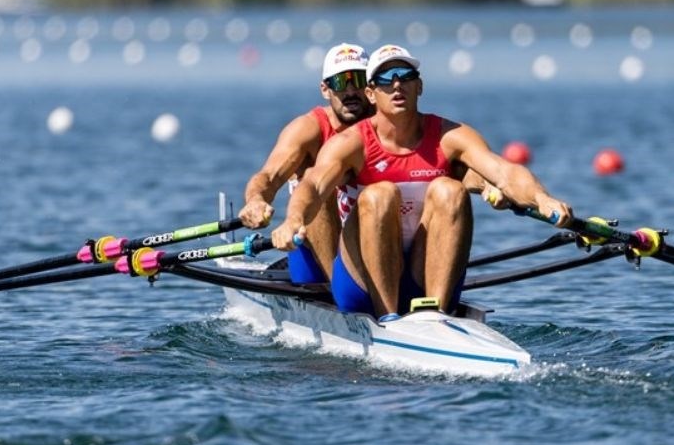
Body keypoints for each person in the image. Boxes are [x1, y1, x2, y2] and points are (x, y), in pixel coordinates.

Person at [271, 44, 573, 318]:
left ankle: (437, 316)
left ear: (420, 86)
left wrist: (542, 199)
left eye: (406, 75)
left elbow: (505, 172)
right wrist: (293, 219)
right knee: (380, 195)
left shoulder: (450, 135)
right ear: (372, 94)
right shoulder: (351, 143)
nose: (397, 84)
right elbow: (311, 186)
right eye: (387, 79)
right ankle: (387, 316)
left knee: (450, 190)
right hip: (361, 284)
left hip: (422, 273)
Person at [238, 43, 374, 284]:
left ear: (371, 86)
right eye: (341, 82)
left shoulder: (390, 125)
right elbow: (269, 177)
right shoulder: (308, 129)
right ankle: (342, 290)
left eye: (359, 80)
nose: (351, 91)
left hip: (373, 243)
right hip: (314, 259)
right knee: (316, 186)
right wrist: (256, 200)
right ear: (325, 89)